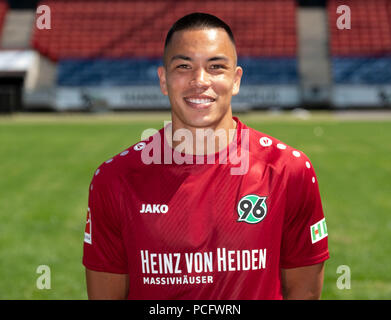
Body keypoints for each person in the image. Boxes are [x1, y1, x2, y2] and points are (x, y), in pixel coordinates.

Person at [83, 12, 329, 300]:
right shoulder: (114, 179)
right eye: (184, 66)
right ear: (163, 80)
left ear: (236, 80)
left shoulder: (289, 170)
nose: (199, 81)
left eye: (216, 67)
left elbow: (304, 292)